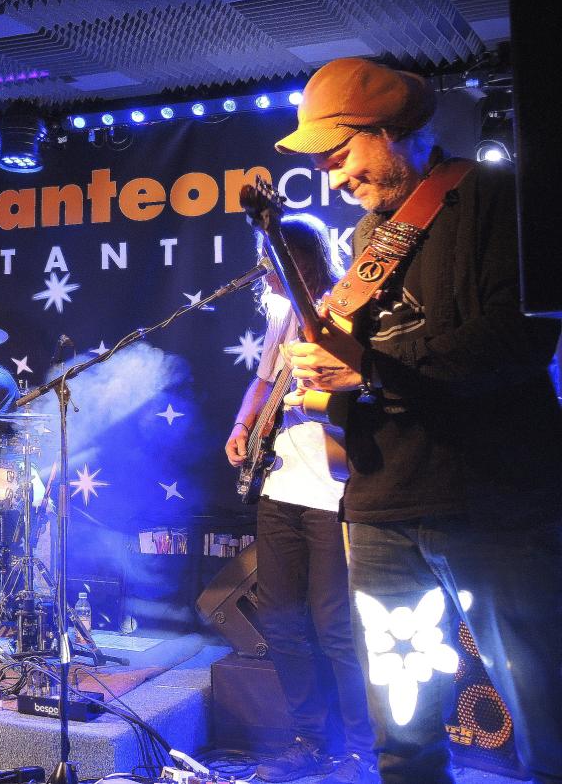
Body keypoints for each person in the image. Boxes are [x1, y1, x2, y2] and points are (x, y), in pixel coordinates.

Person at [275, 57, 562, 784]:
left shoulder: (499, 198)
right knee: (402, 733)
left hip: (492, 502)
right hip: (383, 503)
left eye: (340, 151)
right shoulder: (368, 240)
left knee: (546, 710)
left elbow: (518, 341)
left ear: (391, 129)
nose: (333, 176)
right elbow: (370, 372)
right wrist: (331, 380)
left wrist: (367, 369)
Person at [224, 215, 375, 783]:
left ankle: (362, 750)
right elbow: (264, 381)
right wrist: (242, 426)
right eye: (264, 262)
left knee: (337, 628)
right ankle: (311, 740)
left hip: (334, 491)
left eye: (275, 262)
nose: (266, 274)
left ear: (302, 260)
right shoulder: (283, 316)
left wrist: (321, 393)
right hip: (281, 485)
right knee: (281, 620)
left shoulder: (344, 310)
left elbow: (365, 389)